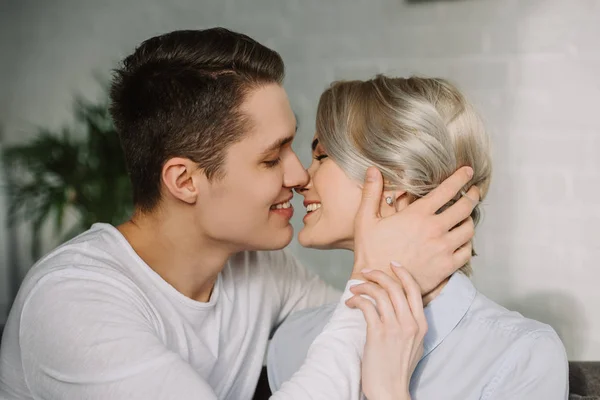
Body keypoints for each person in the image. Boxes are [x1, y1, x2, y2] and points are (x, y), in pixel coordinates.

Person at [0, 29, 479, 400]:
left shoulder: (257, 270)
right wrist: (374, 275)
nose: (298, 176)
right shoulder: (72, 305)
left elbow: (365, 325)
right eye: (271, 158)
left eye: (295, 147)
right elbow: (357, 321)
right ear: (185, 181)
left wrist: (404, 245)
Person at [267, 75, 569, 399]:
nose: (300, 179)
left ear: (397, 180)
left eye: (322, 156)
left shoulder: (522, 355)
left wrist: (389, 391)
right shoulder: (294, 340)